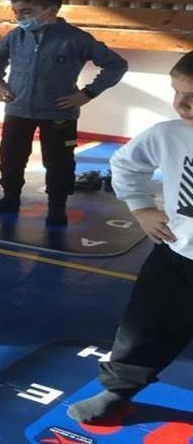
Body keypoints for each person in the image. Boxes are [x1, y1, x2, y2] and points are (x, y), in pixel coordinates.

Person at [66, 51, 193, 424]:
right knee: (145, 326)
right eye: (176, 92)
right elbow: (125, 164)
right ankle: (118, 390)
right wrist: (142, 208)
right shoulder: (169, 134)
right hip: (178, 256)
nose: (181, 104)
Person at [0, 0, 127, 225]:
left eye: (27, 12)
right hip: (18, 109)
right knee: (10, 156)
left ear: (50, 9)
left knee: (59, 162)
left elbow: (116, 64)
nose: (19, 18)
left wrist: (87, 93)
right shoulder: (17, 36)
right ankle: (10, 197)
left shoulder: (76, 39)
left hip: (59, 114)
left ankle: (57, 208)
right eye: (16, 12)